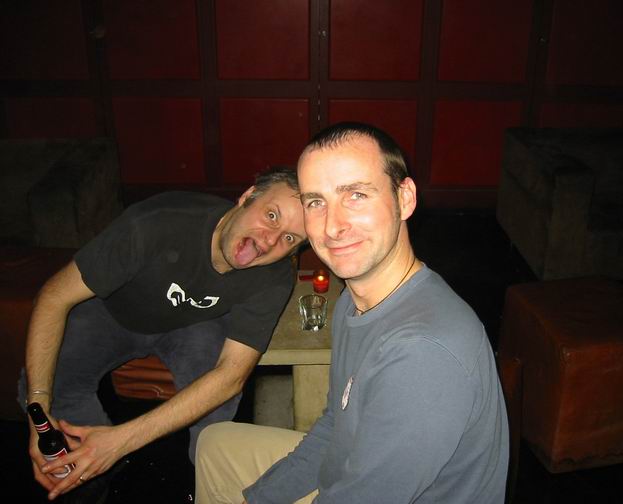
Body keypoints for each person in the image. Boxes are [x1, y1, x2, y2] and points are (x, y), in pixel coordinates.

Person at [195, 123, 509, 503]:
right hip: (349, 469)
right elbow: (337, 426)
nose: (332, 226)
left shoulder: (422, 355)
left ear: (405, 198)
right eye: (316, 202)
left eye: (356, 195)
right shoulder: (352, 299)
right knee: (214, 443)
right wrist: (260, 498)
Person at [18, 166, 307, 502]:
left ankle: (210, 487)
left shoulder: (275, 276)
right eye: (271, 215)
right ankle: (90, 483)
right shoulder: (159, 221)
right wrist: (37, 408)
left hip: (194, 324)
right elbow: (54, 297)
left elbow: (231, 376)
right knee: (54, 393)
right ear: (247, 197)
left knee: (218, 412)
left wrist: (123, 440)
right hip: (111, 309)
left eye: (290, 238)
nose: (270, 240)